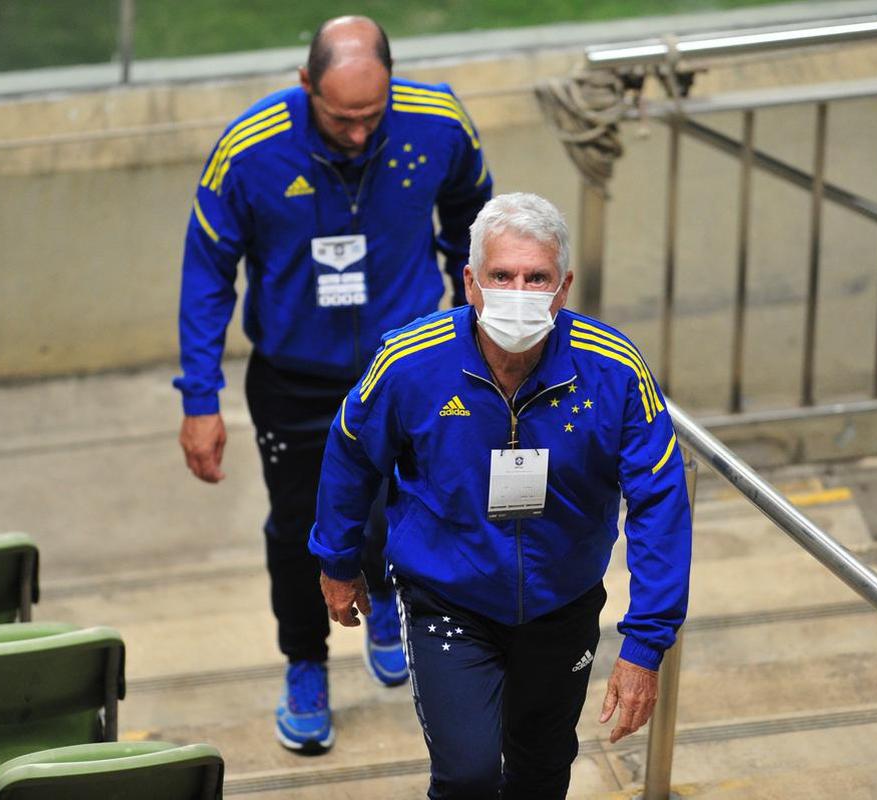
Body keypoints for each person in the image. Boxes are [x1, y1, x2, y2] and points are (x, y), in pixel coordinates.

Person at [173, 15, 492, 754]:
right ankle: (305, 664)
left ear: (392, 84)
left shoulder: (438, 122)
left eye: (371, 117)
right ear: (304, 83)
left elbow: (474, 217)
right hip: (295, 378)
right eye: (340, 117)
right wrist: (199, 399)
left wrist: (474, 319)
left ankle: (384, 595)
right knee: (298, 530)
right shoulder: (247, 152)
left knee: (400, 504)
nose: (356, 134)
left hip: (403, 367)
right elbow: (205, 275)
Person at [311, 192, 692, 798]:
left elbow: (660, 502)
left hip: (561, 603)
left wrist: (645, 641)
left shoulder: (614, 371)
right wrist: (337, 559)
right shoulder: (411, 363)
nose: (519, 291)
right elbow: (352, 453)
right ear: (471, 282)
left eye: (536, 277)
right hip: (449, 601)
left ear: (563, 287)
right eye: (501, 275)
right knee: (468, 775)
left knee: (541, 769)